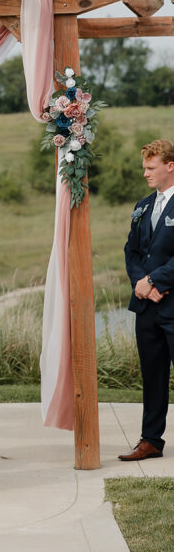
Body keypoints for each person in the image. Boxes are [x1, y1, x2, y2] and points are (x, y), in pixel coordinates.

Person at [119, 139, 174, 461]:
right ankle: (151, 440)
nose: (145, 174)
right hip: (147, 307)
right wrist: (141, 283)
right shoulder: (142, 206)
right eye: (144, 168)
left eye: (151, 168)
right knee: (152, 376)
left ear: (170, 166)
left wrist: (154, 280)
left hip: (172, 303)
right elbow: (132, 250)